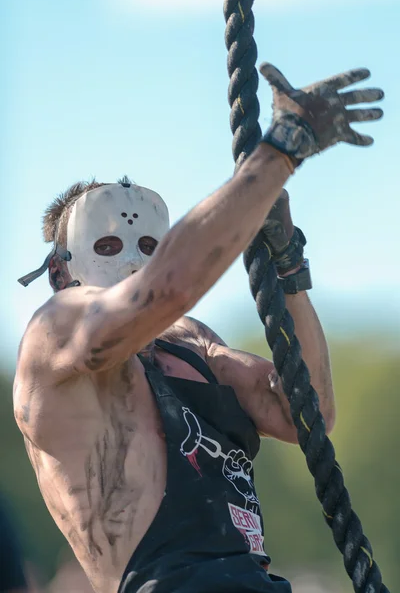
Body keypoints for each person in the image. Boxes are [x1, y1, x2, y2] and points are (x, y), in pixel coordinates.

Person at [13, 63, 384, 593]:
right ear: (59, 271)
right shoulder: (55, 333)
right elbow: (167, 289)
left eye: (148, 247)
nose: (132, 262)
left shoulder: (190, 342)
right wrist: (280, 151)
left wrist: (289, 270)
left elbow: (308, 414)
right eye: (109, 247)